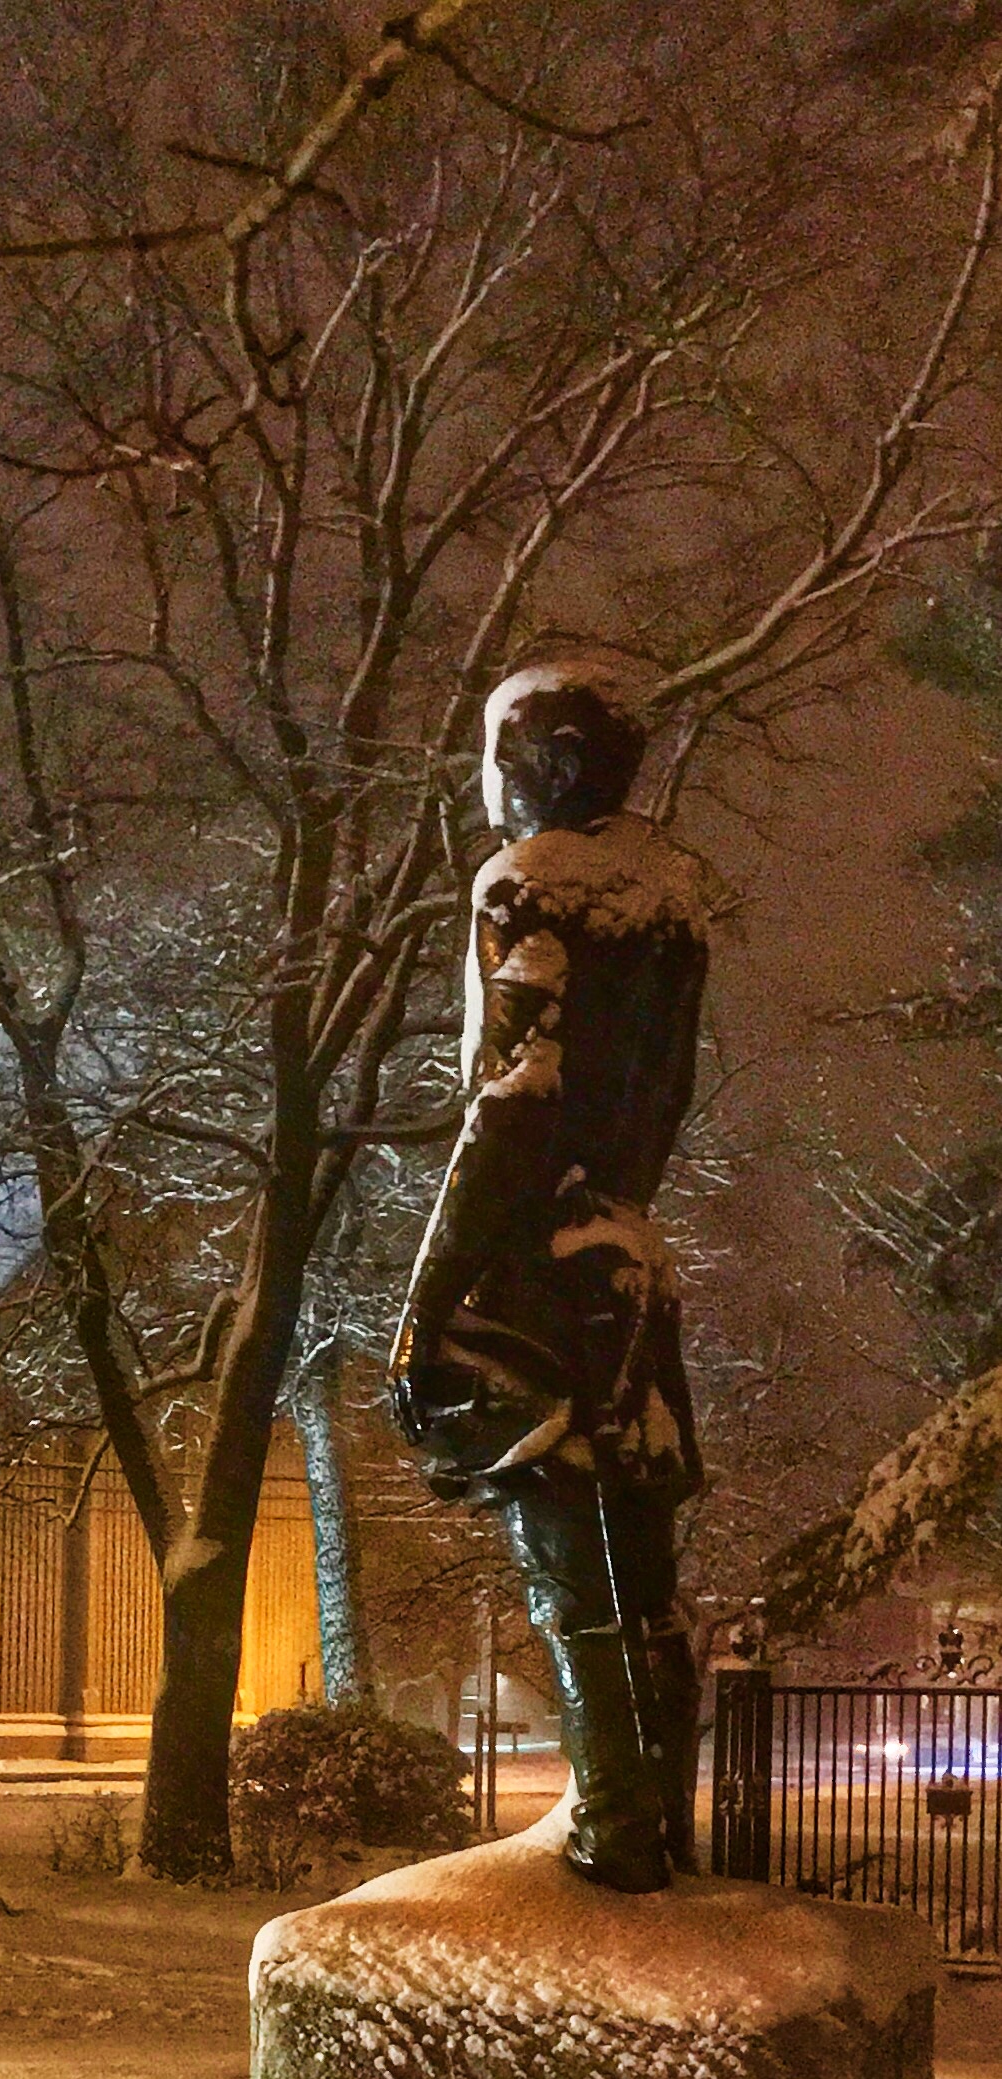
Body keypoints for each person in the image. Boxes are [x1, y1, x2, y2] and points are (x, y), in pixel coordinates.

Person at [388, 662, 707, 1893]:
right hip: (630, 1254)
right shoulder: (671, 900)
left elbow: (516, 1101)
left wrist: (427, 1296)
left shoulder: (529, 885)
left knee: (570, 1566)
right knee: (645, 1574)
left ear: (558, 765)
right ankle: (657, 1829)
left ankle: (613, 1835)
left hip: (539, 1271)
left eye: (502, 758)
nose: (488, 786)